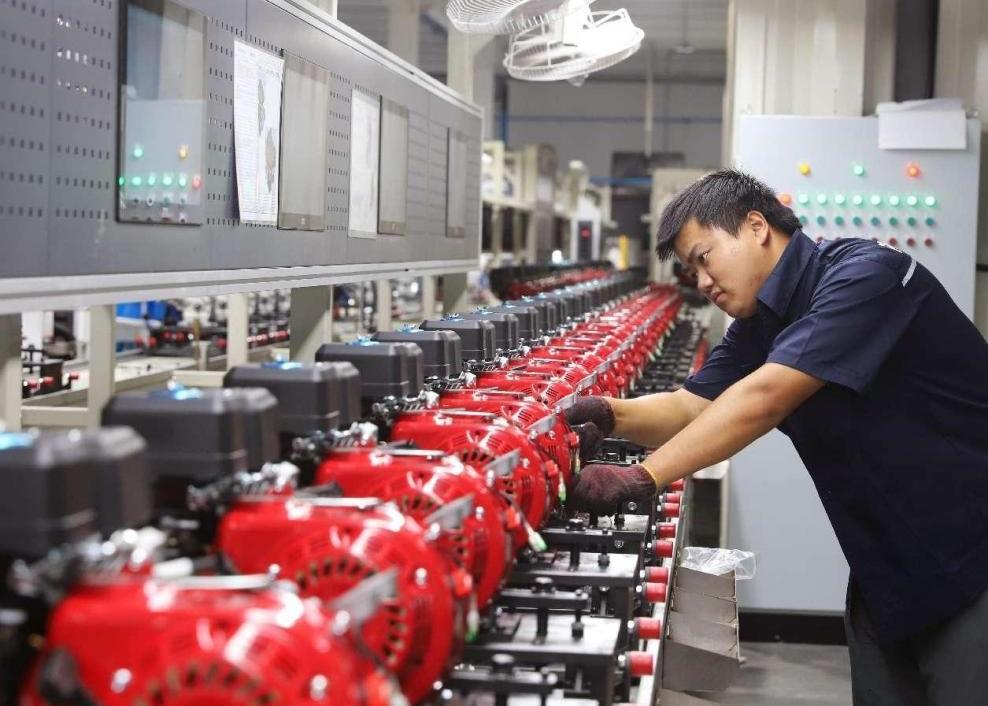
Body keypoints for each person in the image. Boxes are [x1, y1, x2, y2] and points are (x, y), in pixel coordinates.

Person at [566, 169, 988, 706]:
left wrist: (641, 477)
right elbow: (689, 407)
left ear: (756, 226)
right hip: (886, 568)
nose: (702, 281)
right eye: (692, 271)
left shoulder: (866, 278)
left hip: (969, 560)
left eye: (704, 258)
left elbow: (765, 397)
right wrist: (606, 413)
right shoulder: (761, 323)